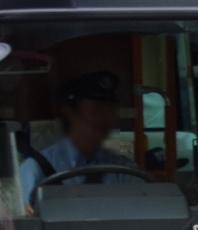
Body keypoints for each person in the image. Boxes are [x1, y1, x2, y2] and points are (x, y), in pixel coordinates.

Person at [18, 70, 141, 211]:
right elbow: (21, 218)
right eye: (95, 111)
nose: (104, 119)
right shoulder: (34, 169)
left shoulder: (123, 169)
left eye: (109, 111)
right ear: (69, 113)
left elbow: (142, 211)